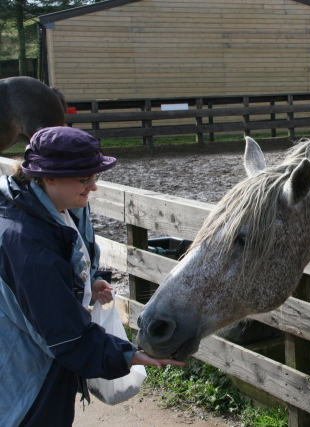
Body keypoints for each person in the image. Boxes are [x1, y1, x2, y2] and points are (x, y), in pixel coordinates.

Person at [0, 127, 184, 427]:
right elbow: (64, 331)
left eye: (94, 177)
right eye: (84, 179)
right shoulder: (28, 241)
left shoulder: (40, 209)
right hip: (26, 383)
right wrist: (129, 355)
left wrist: (86, 283)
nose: (93, 187)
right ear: (49, 176)